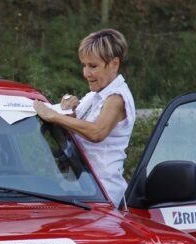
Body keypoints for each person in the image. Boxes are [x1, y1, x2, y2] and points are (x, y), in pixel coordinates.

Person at [33, 29, 136, 207]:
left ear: (114, 64)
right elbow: (77, 125)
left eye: (93, 66)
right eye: (84, 65)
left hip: (104, 192)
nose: (86, 73)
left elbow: (97, 132)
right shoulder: (96, 94)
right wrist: (68, 107)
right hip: (81, 187)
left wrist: (55, 116)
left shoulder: (116, 98)